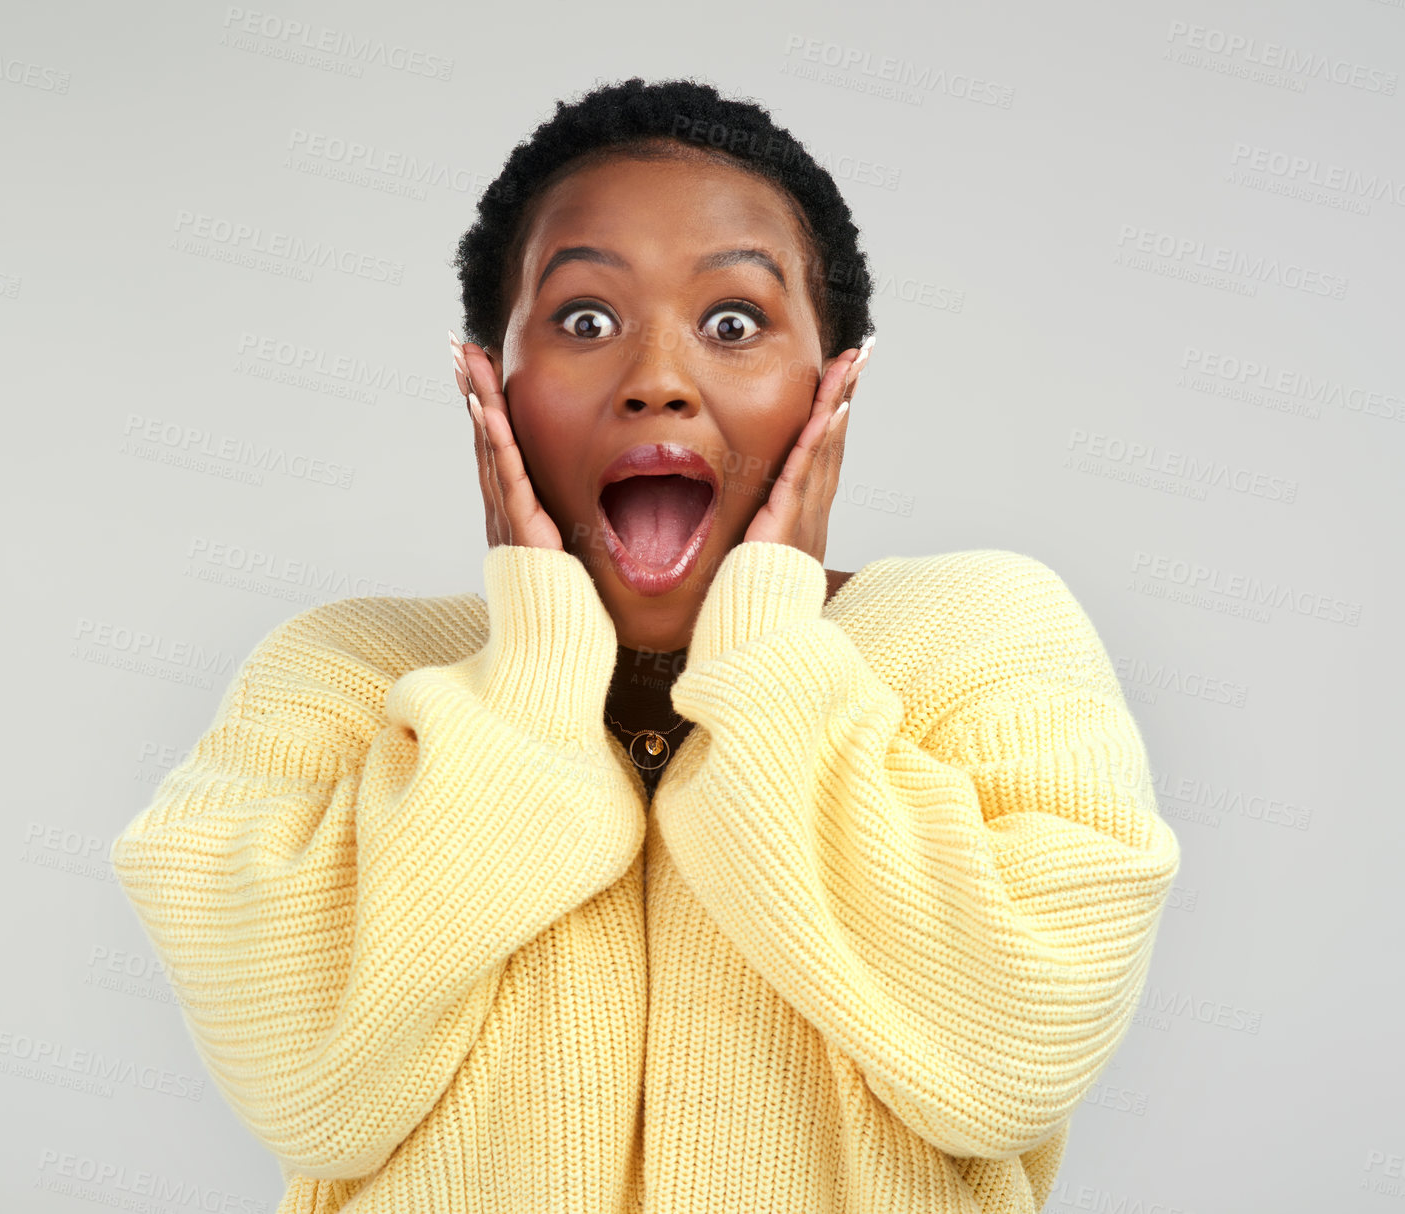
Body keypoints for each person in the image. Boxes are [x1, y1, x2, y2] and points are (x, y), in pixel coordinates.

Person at [111, 76, 1181, 1214]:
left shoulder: (982, 636)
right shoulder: (340, 676)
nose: (659, 381)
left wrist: (765, 645)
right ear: (487, 380)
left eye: (733, 322)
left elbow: (1000, 1068)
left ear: (833, 382)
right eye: (584, 319)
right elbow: (311, 1090)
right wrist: (531, 679)